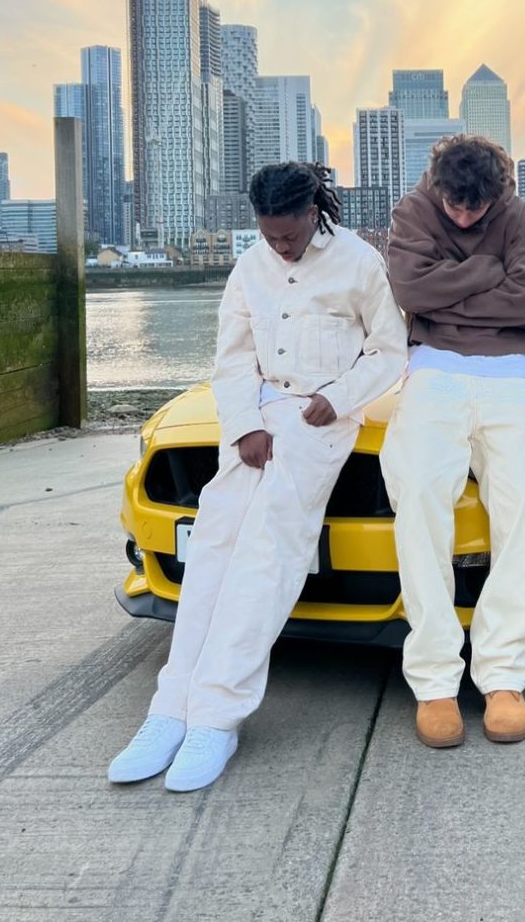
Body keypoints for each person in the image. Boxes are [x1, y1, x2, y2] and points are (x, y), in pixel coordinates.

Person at [108, 162, 407, 791]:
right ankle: (170, 708)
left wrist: (339, 397)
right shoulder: (250, 266)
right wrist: (244, 425)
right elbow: (233, 357)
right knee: (212, 547)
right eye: (270, 236)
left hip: (321, 418)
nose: (281, 247)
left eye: (289, 235)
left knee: (266, 555)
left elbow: (389, 349)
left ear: (312, 213)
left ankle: (217, 717)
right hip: (259, 416)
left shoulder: (358, 263)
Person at [380, 135, 525, 749]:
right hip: (434, 372)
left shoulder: (518, 215)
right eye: (453, 206)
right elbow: (410, 291)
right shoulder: (412, 210)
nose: (461, 218)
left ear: (497, 192)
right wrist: (488, 272)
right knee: (418, 498)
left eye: (475, 209)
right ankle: (434, 680)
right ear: (437, 187)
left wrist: (450, 292)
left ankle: (503, 675)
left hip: (510, 375)